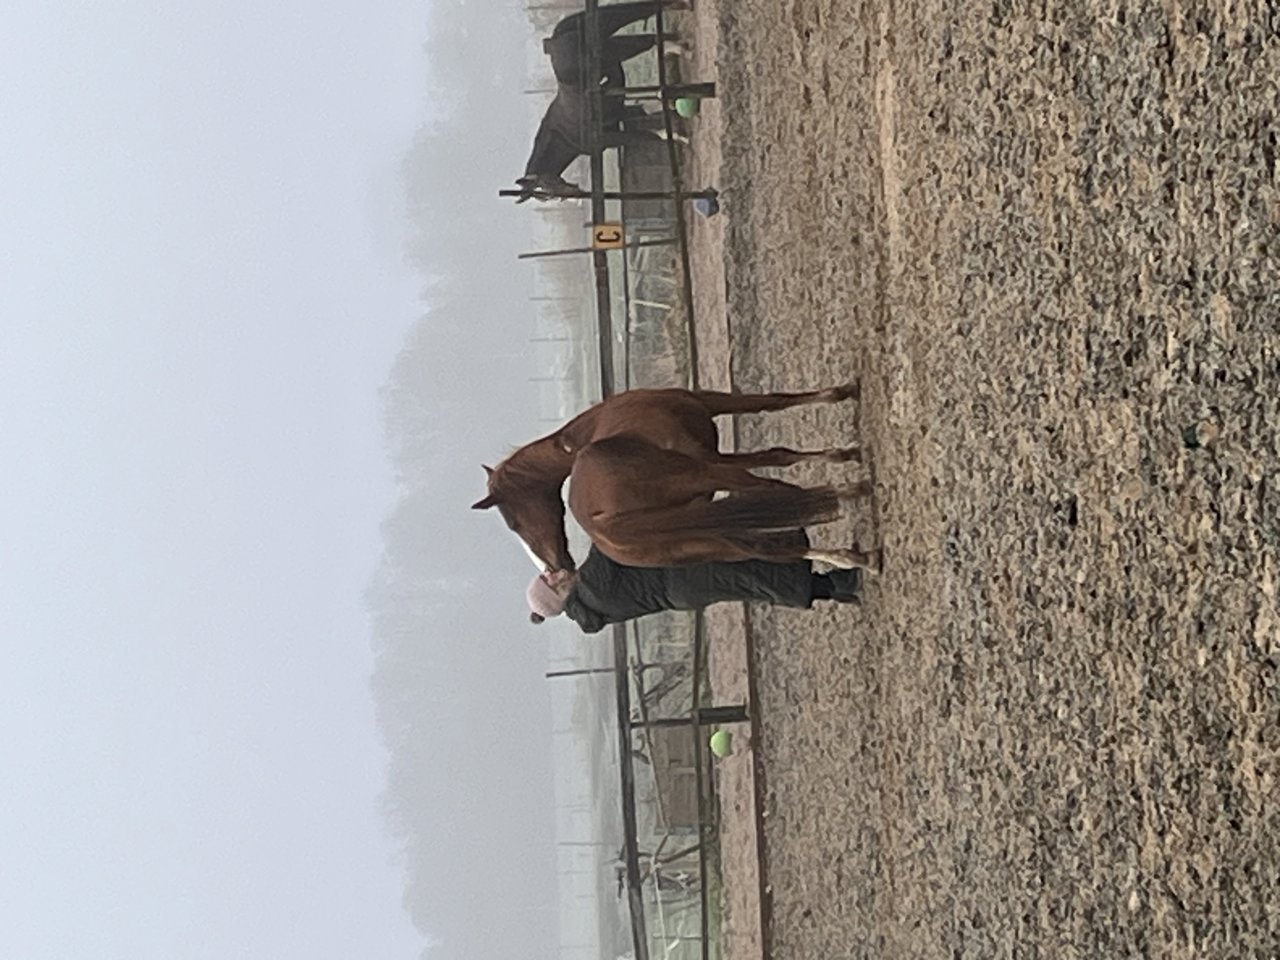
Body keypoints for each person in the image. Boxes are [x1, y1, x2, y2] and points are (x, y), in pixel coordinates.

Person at [525, 546, 862, 632]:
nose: (553, 574)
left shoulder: (589, 606)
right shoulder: (592, 587)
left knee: (753, 579)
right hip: (679, 578)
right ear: (557, 594)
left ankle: (832, 585)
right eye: (550, 581)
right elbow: (604, 541)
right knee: (754, 578)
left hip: (679, 588)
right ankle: (835, 585)